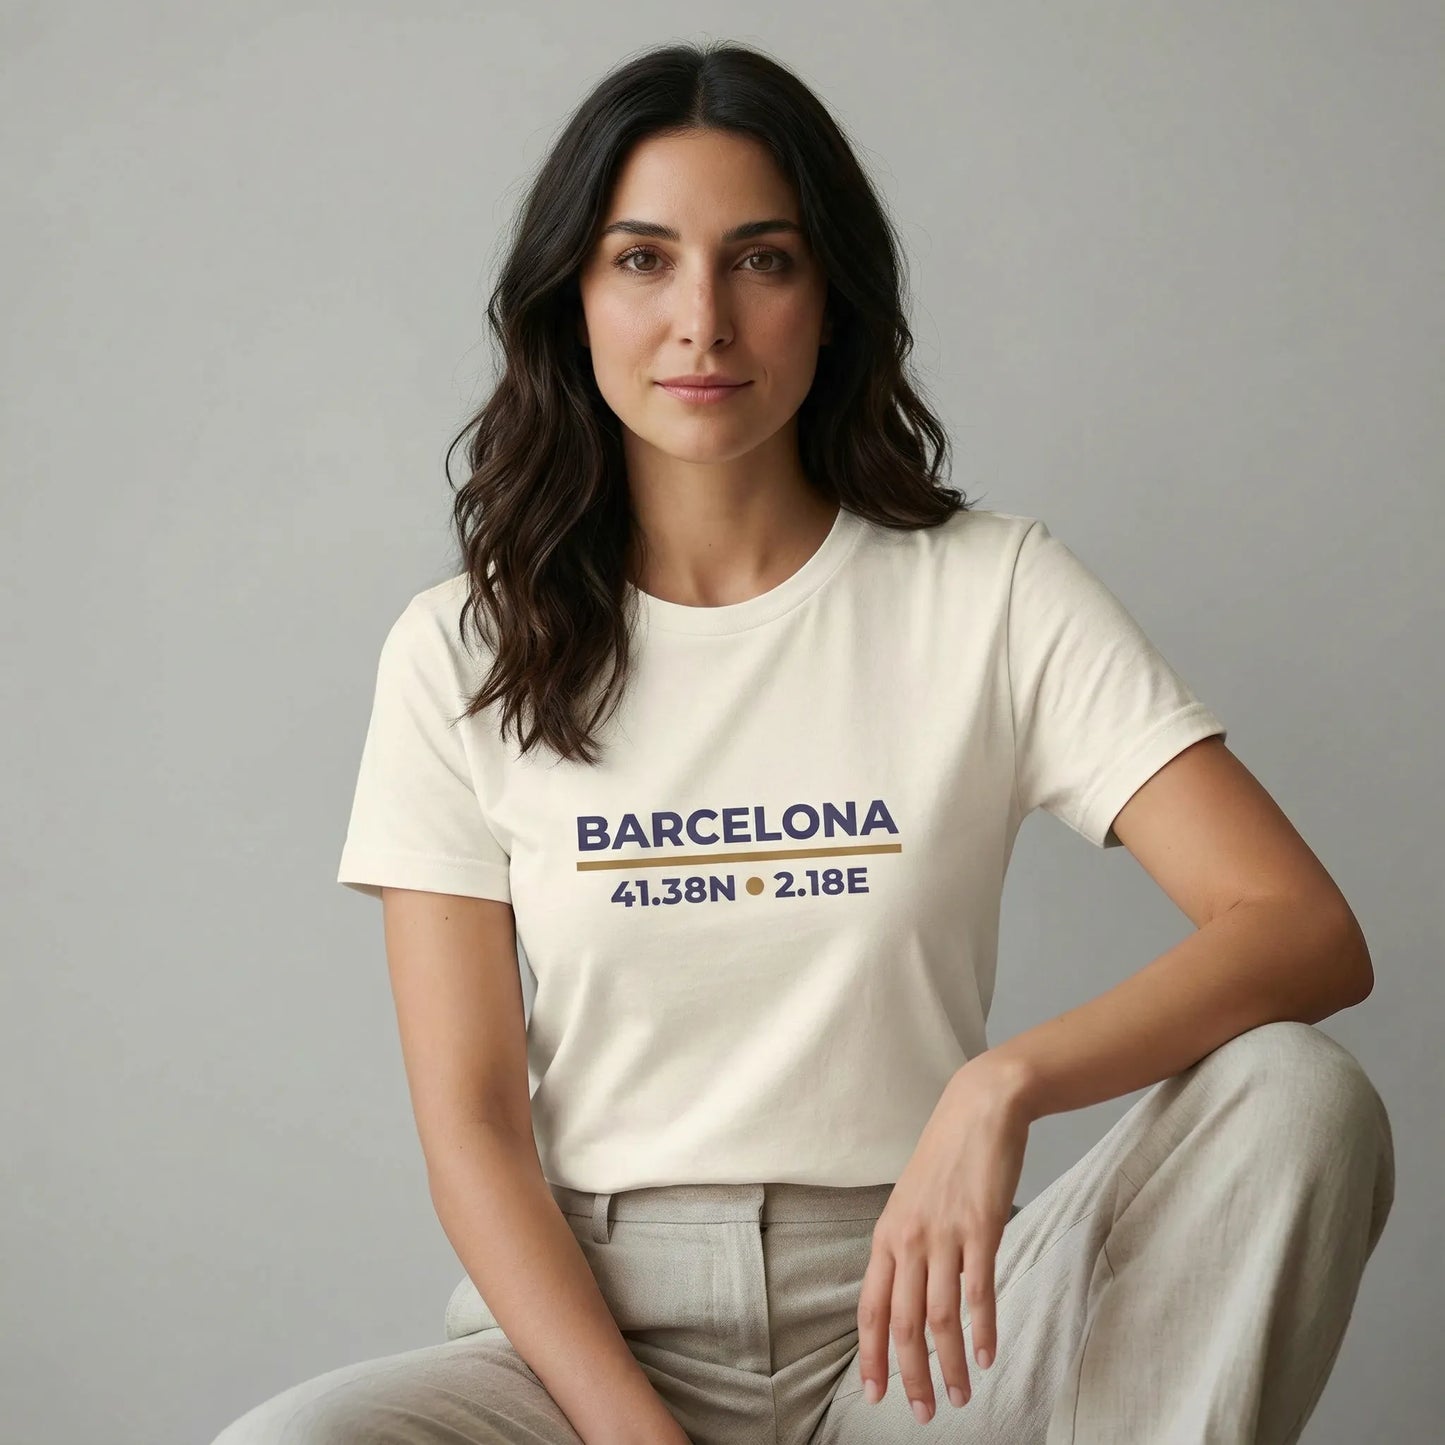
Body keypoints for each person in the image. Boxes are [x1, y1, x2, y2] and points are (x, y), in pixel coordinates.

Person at [211, 38, 1394, 1445]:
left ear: (830, 298)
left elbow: (1302, 927)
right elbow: (470, 1121)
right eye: (641, 260)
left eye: (760, 260)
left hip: (927, 1334)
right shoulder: (458, 647)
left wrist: (998, 1085)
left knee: (1295, 1094)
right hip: (583, 1344)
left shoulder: (987, 591)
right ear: (569, 302)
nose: (701, 320)